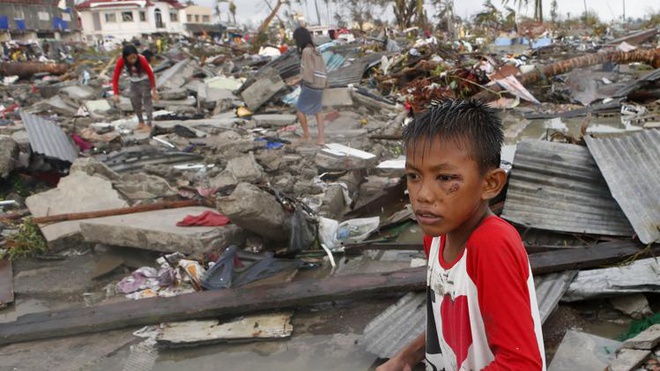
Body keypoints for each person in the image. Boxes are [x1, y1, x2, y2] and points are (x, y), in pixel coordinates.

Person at [378, 100, 545, 371]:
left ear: (490, 184)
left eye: (445, 178)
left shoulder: (491, 244)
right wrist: (406, 357)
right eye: (414, 175)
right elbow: (450, 322)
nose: (423, 195)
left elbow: (522, 365)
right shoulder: (435, 238)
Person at [292, 27, 327, 145]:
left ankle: (306, 135)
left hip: (311, 84)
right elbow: (323, 68)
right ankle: (321, 139)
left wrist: (297, 81)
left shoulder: (306, 51)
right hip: (320, 84)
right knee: (318, 111)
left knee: (300, 110)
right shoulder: (316, 51)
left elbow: (309, 70)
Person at [112, 44, 158, 132]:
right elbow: (115, 77)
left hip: (145, 80)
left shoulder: (142, 60)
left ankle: (149, 123)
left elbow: (151, 75)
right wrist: (115, 93)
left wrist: (154, 90)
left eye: (134, 57)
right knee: (134, 99)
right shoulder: (121, 61)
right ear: (125, 58)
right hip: (133, 81)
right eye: (130, 58)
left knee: (146, 99)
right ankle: (141, 121)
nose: (133, 60)